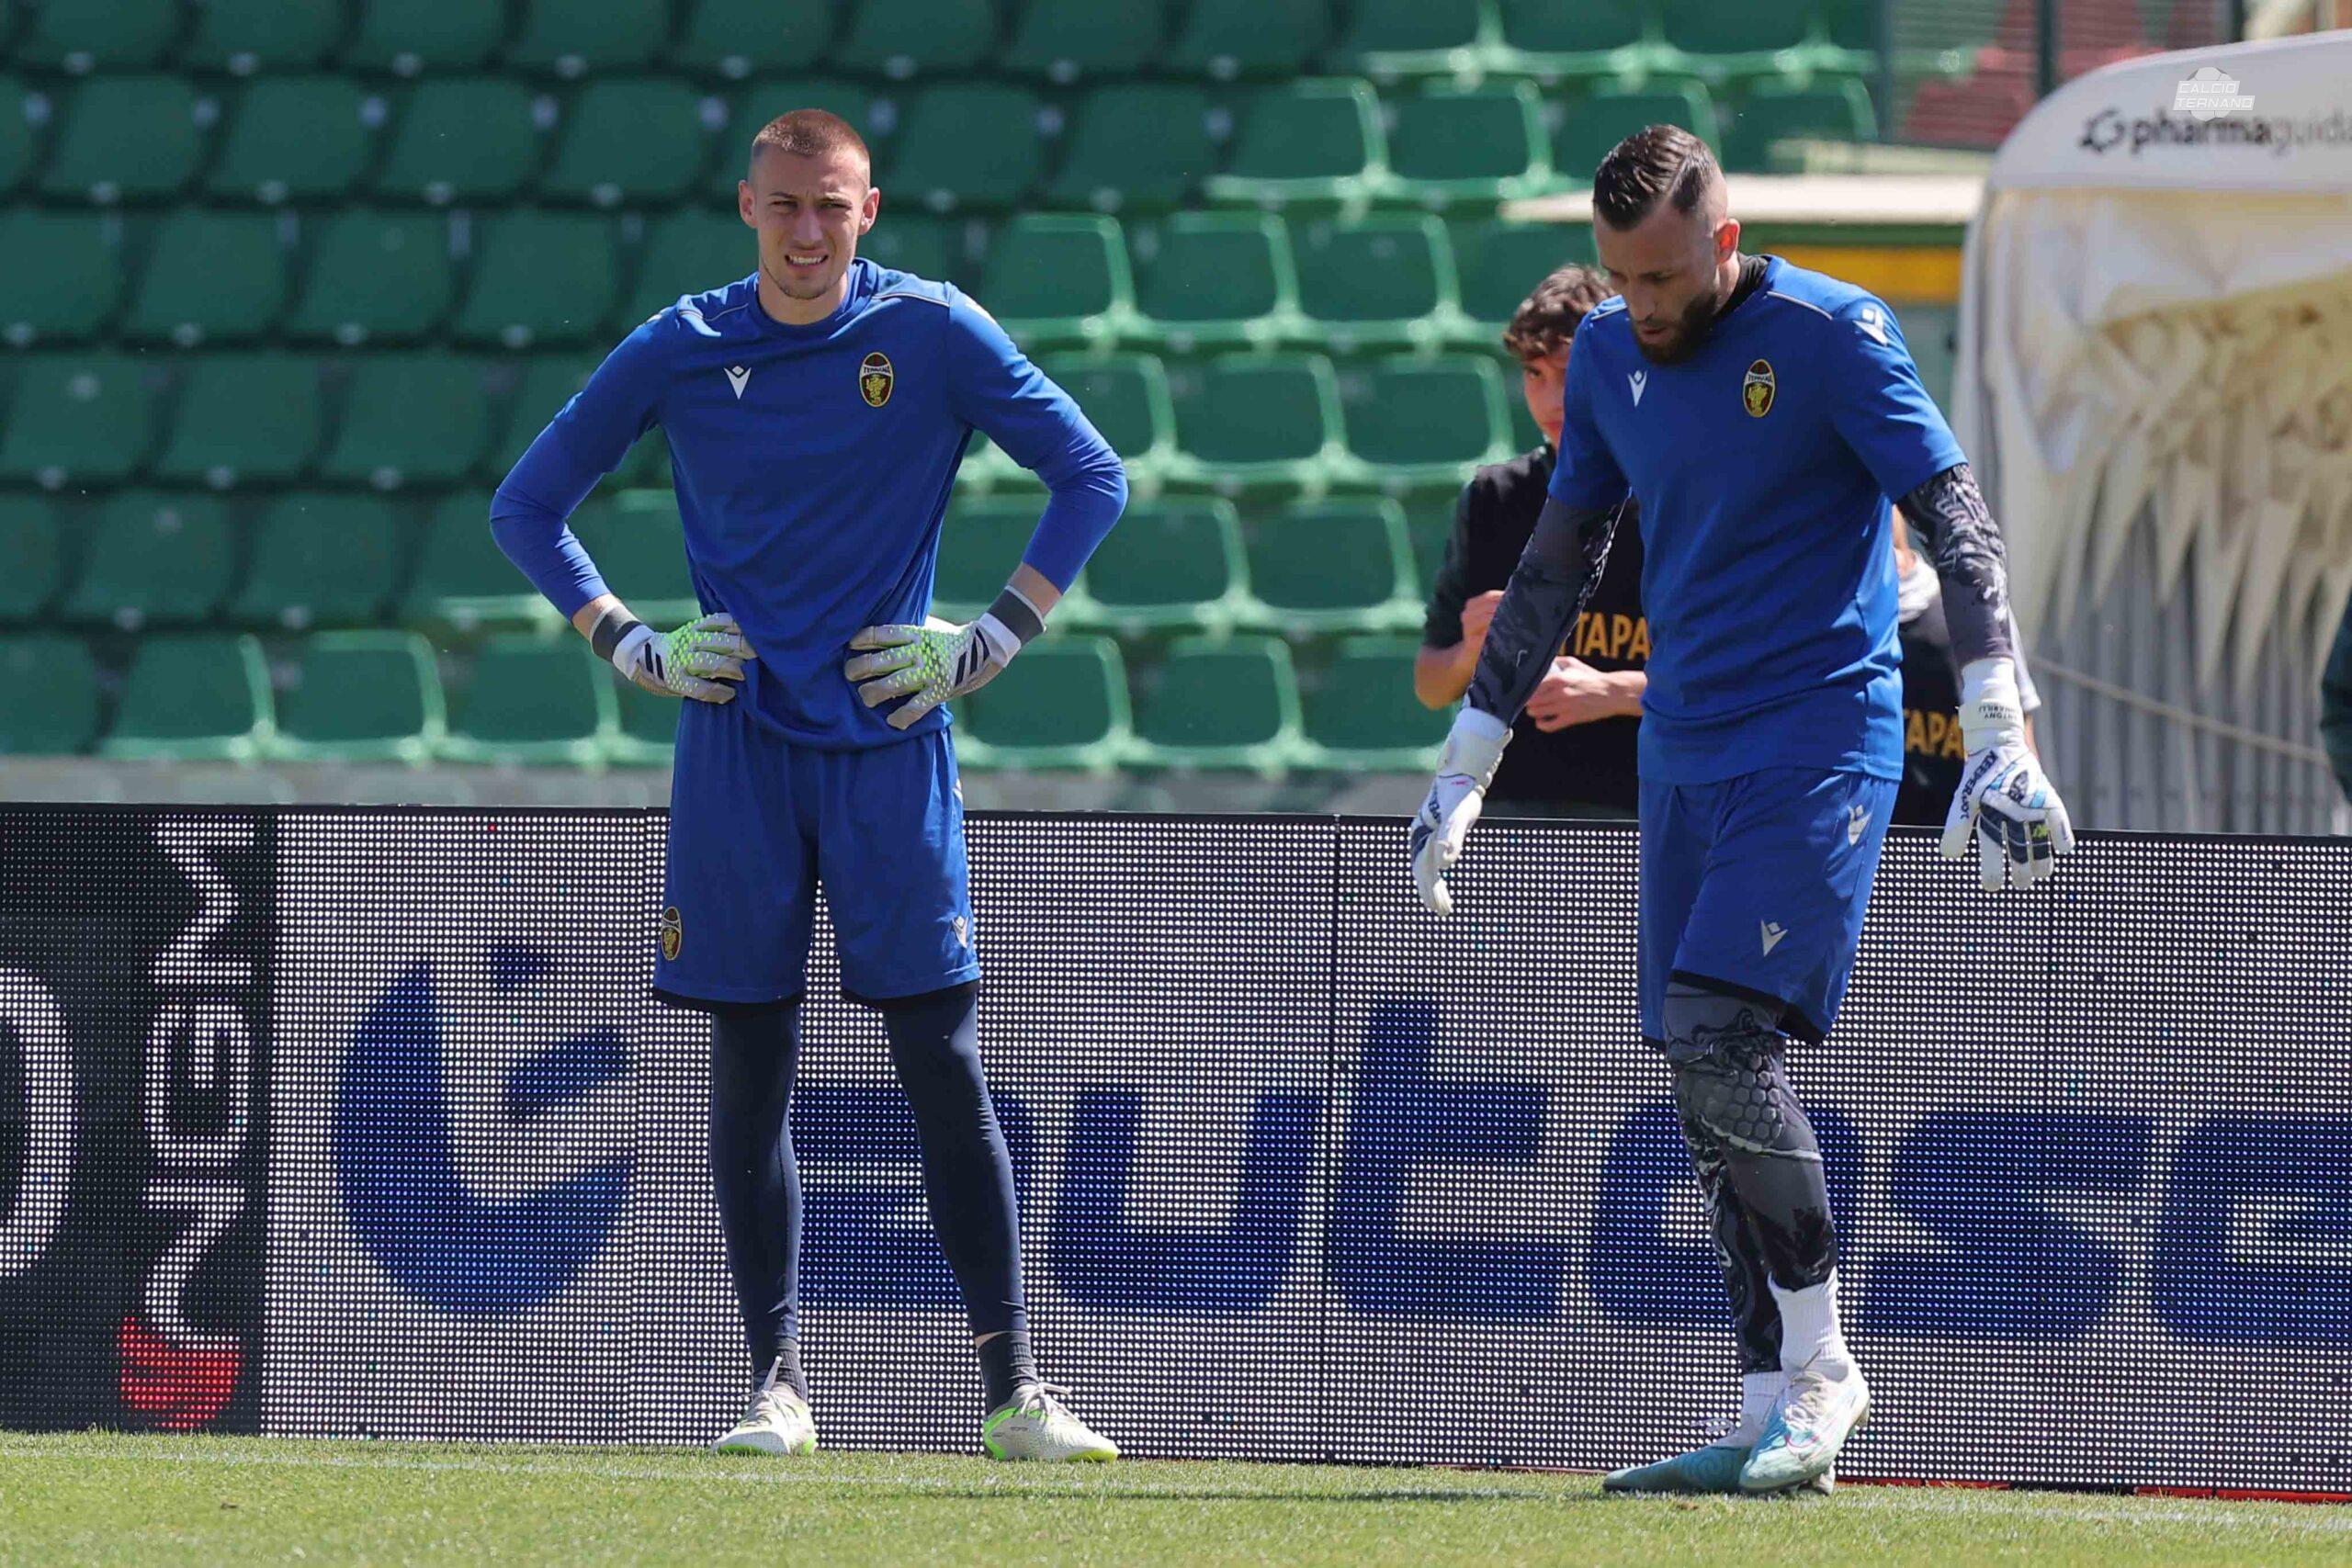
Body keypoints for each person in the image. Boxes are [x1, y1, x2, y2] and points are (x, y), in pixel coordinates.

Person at [1408, 125, 2075, 1495]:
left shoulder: (1834, 333)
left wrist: (2003, 722)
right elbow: (1555, 557)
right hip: (1686, 755)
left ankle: (1828, 1370)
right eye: (1619, 280)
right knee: (1697, 1074)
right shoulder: (1604, 356)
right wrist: (1470, 755)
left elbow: (1956, 513)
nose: (1639, 309)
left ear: (1719, 242)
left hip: (1820, 737)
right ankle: (1769, 1398)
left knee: (1721, 1039)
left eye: (1659, 278)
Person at [490, 109, 1126, 1462]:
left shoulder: (934, 330)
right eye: (784, 206)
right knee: (751, 1063)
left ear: (870, 209)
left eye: (830, 207)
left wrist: (989, 637)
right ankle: (775, 1384)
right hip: (732, 741)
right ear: (746, 205)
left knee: (941, 1060)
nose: (806, 232)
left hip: (895, 735)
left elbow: (1091, 473)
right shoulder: (682, 342)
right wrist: (632, 639)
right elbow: (527, 504)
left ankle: (1015, 1391)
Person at [1417, 265, 1647, 818]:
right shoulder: (1495, 496)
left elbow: (1729, 686)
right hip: (1508, 808)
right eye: (1534, 374)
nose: (1551, 398)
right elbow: (1430, 683)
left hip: (1641, 810)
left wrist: (1614, 692)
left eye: (1567, 372)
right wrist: (1475, 649)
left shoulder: (1677, 497)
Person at [1892, 518, 2044, 827]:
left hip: (1964, 834)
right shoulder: (1837, 620)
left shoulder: (1970, 608)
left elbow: (2017, 721)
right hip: (1875, 838)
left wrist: (2029, 812)